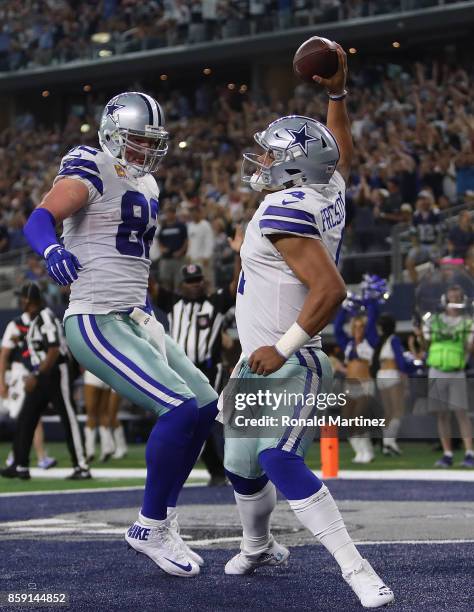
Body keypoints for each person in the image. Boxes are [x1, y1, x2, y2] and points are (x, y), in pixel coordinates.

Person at [221, 47, 393, 608]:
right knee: (240, 465)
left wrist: (283, 346)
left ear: (295, 166)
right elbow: (336, 151)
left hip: (292, 356)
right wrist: (337, 94)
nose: (263, 161)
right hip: (259, 357)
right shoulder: (326, 188)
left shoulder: (284, 209)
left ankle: (356, 569)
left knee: (276, 457)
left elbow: (330, 290)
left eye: (273, 155)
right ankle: (259, 544)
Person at [22, 92, 218, 577]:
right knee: (178, 407)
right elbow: (40, 218)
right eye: (136, 139)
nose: (144, 150)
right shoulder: (91, 165)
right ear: (111, 133)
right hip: (94, 316)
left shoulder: (148, 183)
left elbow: (130, 259)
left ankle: (164, 520)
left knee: (206, 404)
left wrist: (150, 313)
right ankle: (149, 526)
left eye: (152, 141)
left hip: (133, 314)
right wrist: (49, 251)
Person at [151, 234, 242, 484]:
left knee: (209, 419)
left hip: (207, 370)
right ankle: (213, 470)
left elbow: (236, 286)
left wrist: (237, 254)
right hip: (178, 369)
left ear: (204, 281)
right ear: (182, 284)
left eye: (197, 280)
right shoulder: (173, 302)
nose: (194, 285)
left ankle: (223, 470)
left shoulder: (215, 303)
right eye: (189, 281)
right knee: (187, 418)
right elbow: (151, 287)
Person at [0, 283, 89, 480]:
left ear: (29, 300)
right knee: (26, 418)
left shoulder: (45, 316)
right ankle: (20, 464)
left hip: (56, 372)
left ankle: (81, 466)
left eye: (22, 298)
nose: (20, 301)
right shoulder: (32, 320)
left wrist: (37, 376)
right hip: (41, 374)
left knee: (68, 418)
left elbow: (54, 350)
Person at [422, 285, 474, 468]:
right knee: (442, 415)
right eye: (452, 297)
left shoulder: (468, 322)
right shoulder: (433, 320)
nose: (454, 301)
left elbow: (470, 349)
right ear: (445, 299)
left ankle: (469, 453)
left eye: (458, 297)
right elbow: (426, 345)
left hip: (456, 370)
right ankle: (447, 454)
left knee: (461, 413)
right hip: (436, 369)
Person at [0, 306, 56, 470]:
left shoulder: (42, 324)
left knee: (31, 417)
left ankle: (20, 456)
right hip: (19, 375)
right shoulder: (15, 324)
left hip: (34, 373)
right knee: (29, 417)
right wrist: (2, 382)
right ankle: (34, 457)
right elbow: (4, 355)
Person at [334, 296, 378, 463]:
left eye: (362, 326)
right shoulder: (348, 344)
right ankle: (359, 452)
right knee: (347, 421)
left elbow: (373, 317)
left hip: (365, 385)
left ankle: (368, 451)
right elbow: (337, 328)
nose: (359, 329)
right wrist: (345, 308)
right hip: (349, 386)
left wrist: (368, 301)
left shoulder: (370, 341)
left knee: (359, 419)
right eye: (356, 326)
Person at [371, 313, 410, 456]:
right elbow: (400, 361)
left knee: (387, 411)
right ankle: (390, 442)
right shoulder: (393, 340)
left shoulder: (380, 342)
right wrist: (405, 383)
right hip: (392, 375)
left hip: (381, 376)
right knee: (398, 410)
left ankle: (386, 444)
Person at [157, 204, 188, 292]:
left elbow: (186, 241)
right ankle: (167, 303)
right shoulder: (163, 227)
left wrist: (181, 251)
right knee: (165, 281)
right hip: (166, 258)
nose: (168, 215)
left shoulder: (181, 226)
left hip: (178, 258)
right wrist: (162, 249)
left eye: (170, 212)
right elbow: (159, 240)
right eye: (167, 213)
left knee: (179, 282)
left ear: (174, 213)